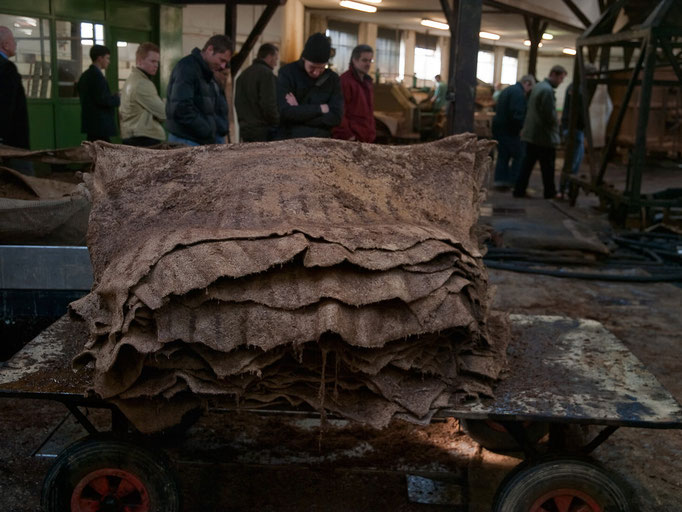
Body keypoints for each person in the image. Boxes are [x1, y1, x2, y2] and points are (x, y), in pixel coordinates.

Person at [166, 34, 232, 146]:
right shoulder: (187, 68)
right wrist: (207, 130)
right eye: (221, 60)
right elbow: (181, 108)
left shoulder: (206, 73)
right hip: (187, 141)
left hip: (198, 140)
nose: (223, 66)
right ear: (210, 50)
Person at [513, 65, 568, 199]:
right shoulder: (547, 91)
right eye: (561, 78)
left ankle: (519, 190)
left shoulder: (538, 86)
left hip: (532, 134)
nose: (561, 82)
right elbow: (549, 116)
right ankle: (550, 192)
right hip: (543, 136)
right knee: (548, 167)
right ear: (553, 74)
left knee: (527, 165)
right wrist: (557, 128)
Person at [276, 32, 343, 139]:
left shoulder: (332, 79)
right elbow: (285, 113)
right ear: (304, 59)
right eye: (312, 67)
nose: (316, 72)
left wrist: (299, 110)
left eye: (322, 67)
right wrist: (320, 109)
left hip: (321, 141)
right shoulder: (287, 73)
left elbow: (336, 118)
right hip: (291, 140)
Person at [491, 75, 536, 190]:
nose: (529, 92)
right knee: (519, 155)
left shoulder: (508, 90)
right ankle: (512, 181)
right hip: (509, 130)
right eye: (530, 88)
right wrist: (521, 129)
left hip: (500, 128)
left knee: (503, 155)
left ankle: (500, 181)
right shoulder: (518, 94)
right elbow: (517, 114)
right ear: (526, 83)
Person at [119, 42, 166, 146]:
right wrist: (163, 103)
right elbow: (163, 113)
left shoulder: (131, 79)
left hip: (131, 135)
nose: (156, 65)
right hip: (144, 139)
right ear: (140, 61)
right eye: (152, 61)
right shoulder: (143, 83)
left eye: (157, 62)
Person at [235, 43, 279, 142]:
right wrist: (277, 122)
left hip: (245, 129)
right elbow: (268, 104)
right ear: (269, 56)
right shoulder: (266, 74)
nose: (276, 64)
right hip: (263, 130)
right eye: (276, 59)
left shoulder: (242, 75)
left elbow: (237, 102)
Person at [332, 44, 375, 143]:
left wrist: (371, 134)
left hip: (365, 139)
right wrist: (349, 136)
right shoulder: (345, 82)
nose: (368, 64)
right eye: (364, 60)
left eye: (370, 60)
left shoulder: (367, 82)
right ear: (354, 60)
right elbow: (339, 112)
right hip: (351, 141)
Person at [77, 45, 120, 142]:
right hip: (100, 125)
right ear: (100, 58)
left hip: (91, 124)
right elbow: (102, 99)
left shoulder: (85, 75)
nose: (109, 61)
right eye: (107, 58)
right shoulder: (97, 76)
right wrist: (116, 98)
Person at [0, 26, 29, 150]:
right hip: (11, 141)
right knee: (22, 169)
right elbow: (6, 105)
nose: (15, 44)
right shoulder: (7, 68)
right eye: (13, 40)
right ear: (5, 45)